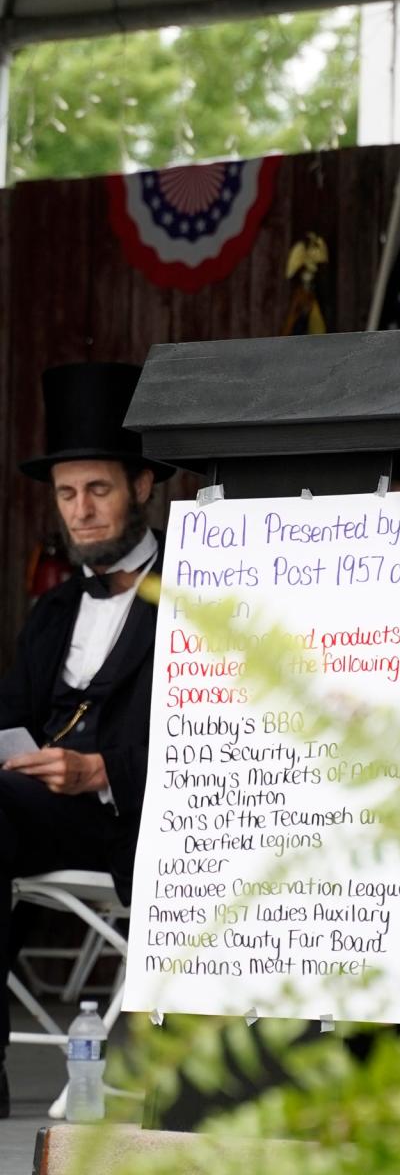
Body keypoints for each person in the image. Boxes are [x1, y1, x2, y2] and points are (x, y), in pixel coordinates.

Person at [0, 362, 174, 1118]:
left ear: (142, 485)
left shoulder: (199, 593)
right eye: (68, 495)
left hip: (137, 821)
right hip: (34, 815)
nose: (81, 512)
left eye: (98, 490)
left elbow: (216, 735)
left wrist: (103, 769)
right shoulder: (52, 610)